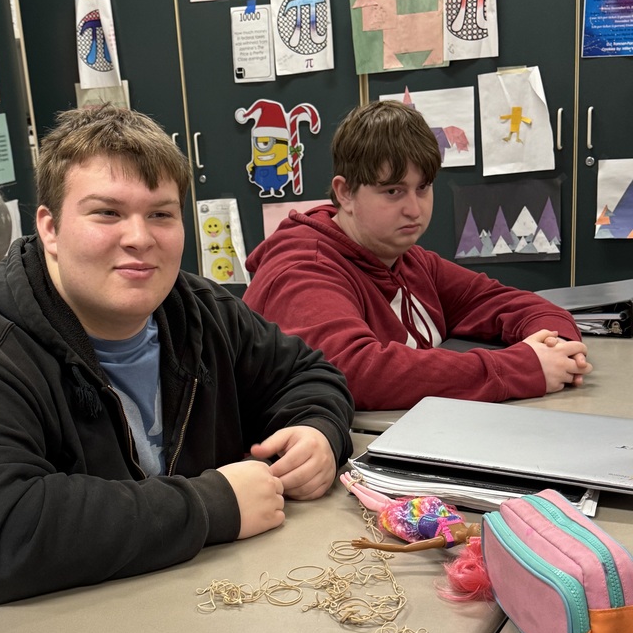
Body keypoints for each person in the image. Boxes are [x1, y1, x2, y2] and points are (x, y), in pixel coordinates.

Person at [0, 104, 353, 633]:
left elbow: (309, 373)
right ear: (49, 227)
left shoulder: (199, 311)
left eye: (162, 215)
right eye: (107, 213)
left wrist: (317, 430)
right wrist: (212, 504)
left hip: (162, 603)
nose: (139, 238)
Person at [242, 100, 591, 411]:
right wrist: (523, 367)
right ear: (345, 193)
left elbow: (514, 304)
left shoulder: (408, 259)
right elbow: (357, 372)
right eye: (393, 191)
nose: (414, 210)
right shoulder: (304, 269)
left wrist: (556, 348)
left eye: (422, 188)